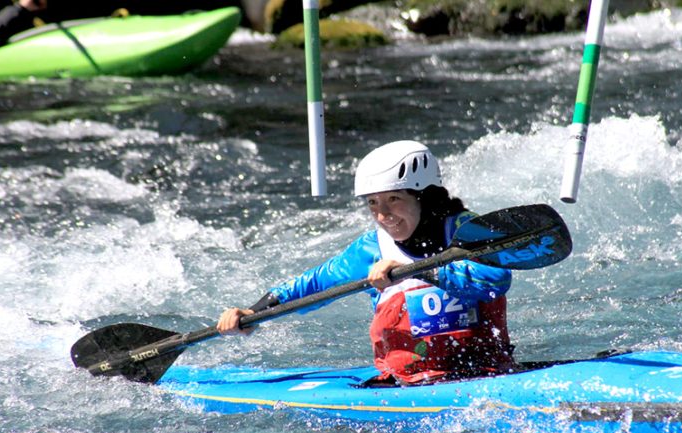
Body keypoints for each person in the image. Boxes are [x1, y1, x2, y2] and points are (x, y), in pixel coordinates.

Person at [217, 140, 514, 385]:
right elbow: (314, 285)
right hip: (405, 385)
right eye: (373, 202)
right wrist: (254, 312)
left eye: (394, 199)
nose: (383, 215)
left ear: (424, 196)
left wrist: (419, 271)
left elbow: (495, 281)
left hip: (487, 374)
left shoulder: (467, 231)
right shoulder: (371, 249)